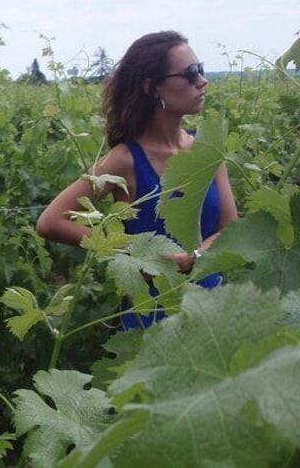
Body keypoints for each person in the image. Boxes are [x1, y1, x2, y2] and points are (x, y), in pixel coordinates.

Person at [36, 30, 238, 329]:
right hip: (152, 321)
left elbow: (230, 227)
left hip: (213, 313)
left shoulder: (207, 150)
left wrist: (193, 257)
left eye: (202, 69)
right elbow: (50, 221)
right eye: (191, 73)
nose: (202, 80)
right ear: (152, 87)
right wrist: (133, 257)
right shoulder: (126, 159)